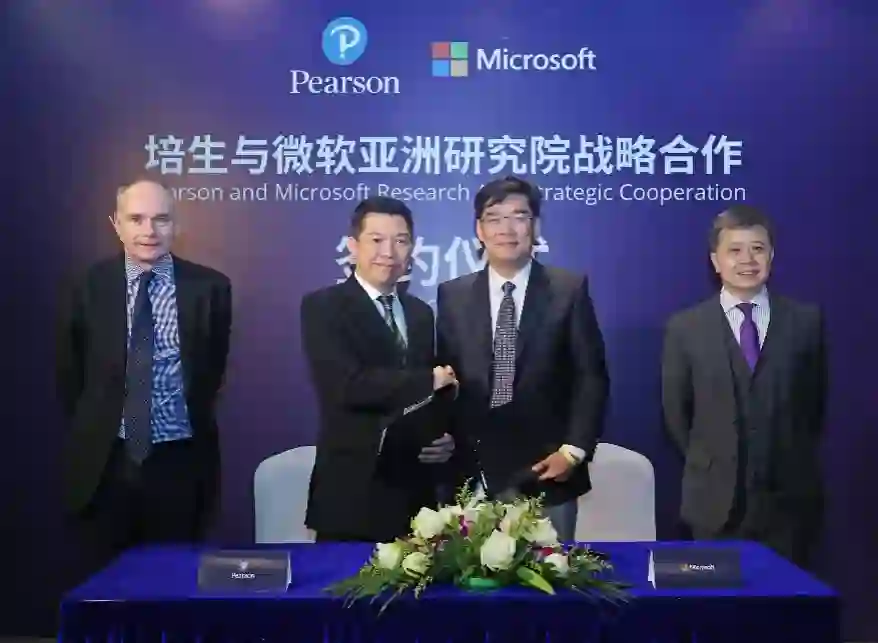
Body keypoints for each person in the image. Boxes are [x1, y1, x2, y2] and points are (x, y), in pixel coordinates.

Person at [56, 178, 232, 567]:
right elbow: (71, 374)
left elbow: (211, 373)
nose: (149, 231)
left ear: (176, 225)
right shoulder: (87, 286)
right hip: (106, 465)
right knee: (105, 585)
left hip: (179, 464)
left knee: (174, 581)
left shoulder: (211, 288)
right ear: (116, 224)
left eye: (161, 219)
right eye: (136, 219)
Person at [436, 176, 610, 541]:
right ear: (479, 230)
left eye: (519, 216)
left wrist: (573, 452)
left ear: (535, 226)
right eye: (495, 218)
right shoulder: (453, 296)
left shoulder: (567, 290)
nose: (507, 229)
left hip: (548, 472)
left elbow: (590, 377)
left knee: (549, 574)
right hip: (472, 475)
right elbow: (445, 380)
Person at [661, 205, 827, 569]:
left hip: (789, 508)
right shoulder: (685, 328)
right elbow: (677, 414)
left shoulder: (806, 322)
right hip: (713, 507)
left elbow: (813, 407)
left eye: (758, 249)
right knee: (720, 604)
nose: (747, 260)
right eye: (735, 250)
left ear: (772, 256)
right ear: (715, 261)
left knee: (785, 602)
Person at [301, 196, 456, 542]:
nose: (389, 252)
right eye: (376, 240)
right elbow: (347, 386)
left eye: (400, 241)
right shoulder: (323, 306)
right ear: (353, 246)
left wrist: (443, 438)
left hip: (416, 499)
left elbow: (430, 400)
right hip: (352, 494)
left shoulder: (420, 313)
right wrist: (428, 380)